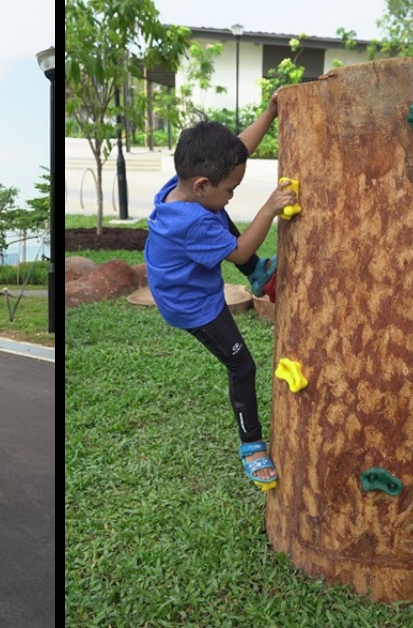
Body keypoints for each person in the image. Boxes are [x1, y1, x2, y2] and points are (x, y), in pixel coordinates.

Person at [144, 89, 296, 486]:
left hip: (182, 280)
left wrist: (269, 113)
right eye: (229, 188)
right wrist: (269, 208)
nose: (232, 194)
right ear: (201, 184)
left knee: (218, 212)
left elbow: (237, 151)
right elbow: (242, 247)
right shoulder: (192, 221)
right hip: (192, 306)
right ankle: (251, 445)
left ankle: (256, 275)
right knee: (242, 365)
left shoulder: (185, 186)